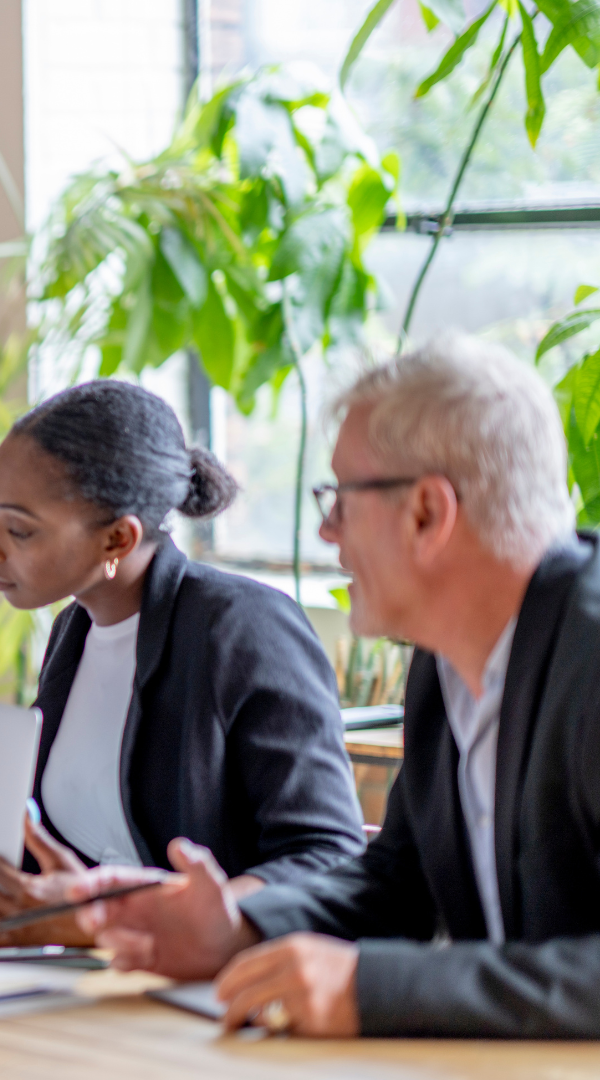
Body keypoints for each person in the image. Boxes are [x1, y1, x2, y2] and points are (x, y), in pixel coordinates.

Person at [73, 337, 600, 1038]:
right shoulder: (447, 659)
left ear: (425, 513)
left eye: (341, 500)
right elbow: (398, 881)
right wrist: (238, 925)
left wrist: (378, 989)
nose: (326, 531)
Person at [0, 380, 365, 944]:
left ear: (118, 540)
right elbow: (73, 852)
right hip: (95, 973)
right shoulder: (75, 631)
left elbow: (326, 858)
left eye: (19, 529)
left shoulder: (244, 629)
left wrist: (110, 914)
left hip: (214, 990)